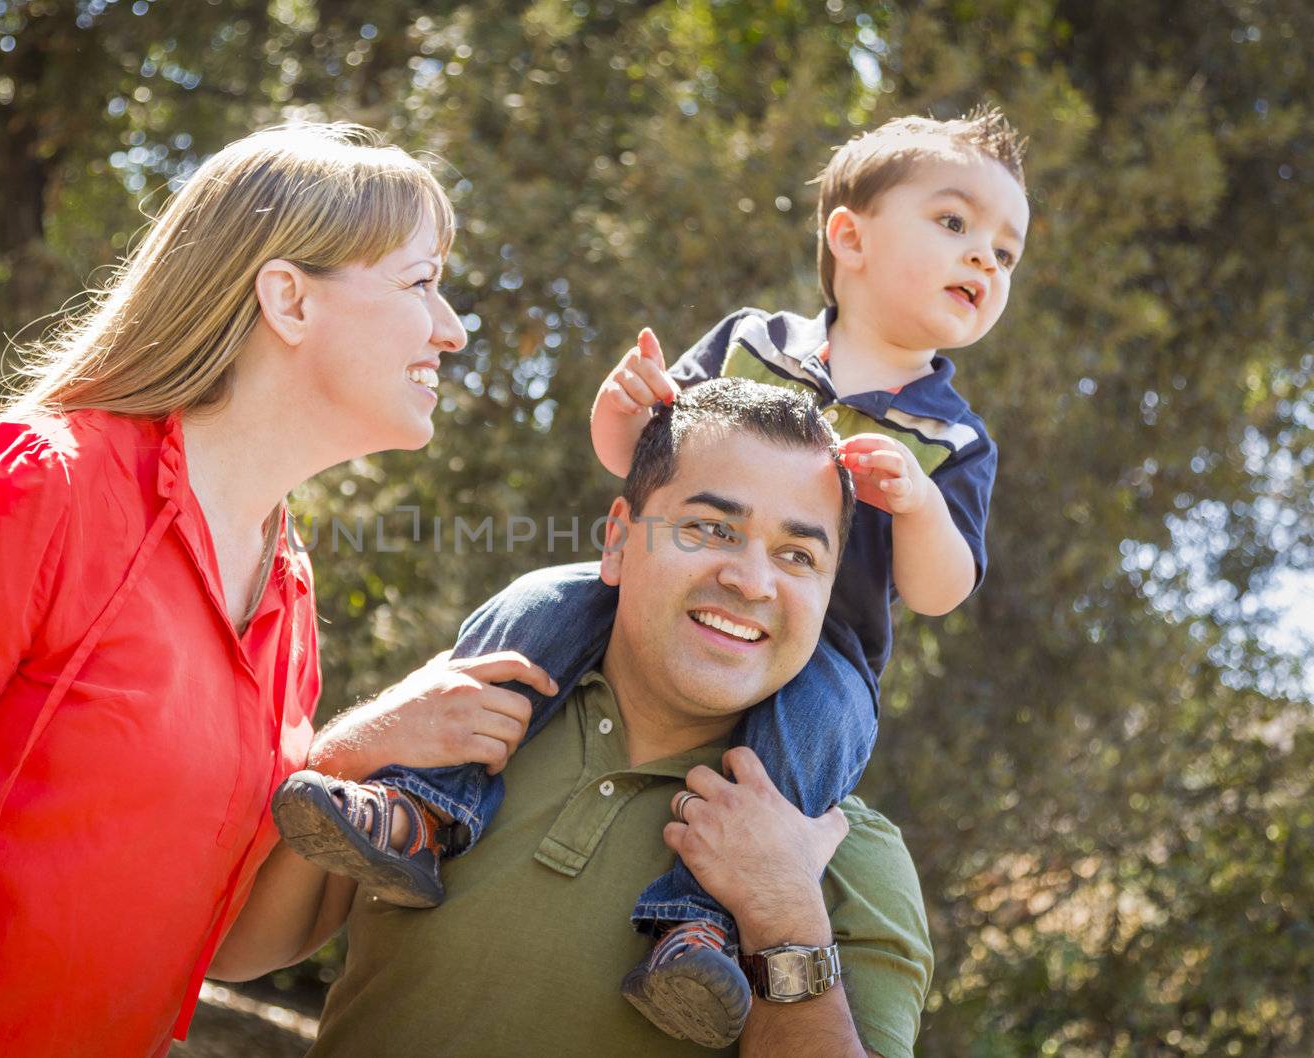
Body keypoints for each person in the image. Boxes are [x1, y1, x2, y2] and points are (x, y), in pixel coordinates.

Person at [0, 123, 558, 1057]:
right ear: (288, 298)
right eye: (422, 281)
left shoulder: (287, 593)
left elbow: (231, 945)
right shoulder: (36, 487)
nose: (455, 328)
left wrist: (360, 750)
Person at [271, 106, 1028, 1046]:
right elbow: (639, 461)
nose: (985, 260)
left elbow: (942, 588)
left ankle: (696, 925)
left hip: (827, 659)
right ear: (851, 237)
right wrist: (619, 407)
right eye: (957, 225)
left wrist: (915, 505)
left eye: (1006, 251)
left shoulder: (952, 437)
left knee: (815, 736)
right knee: (539, 599)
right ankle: (427, 810)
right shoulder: (752, 343)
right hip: (595, 613)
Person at [226, 380, 933, 1058]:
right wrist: (347, 751)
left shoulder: (843, 851)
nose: (752, 581)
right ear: (620, 539)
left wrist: (785, 918)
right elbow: (238, 953)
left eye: (797, 555)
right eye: (711, 528)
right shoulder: (452, 729)